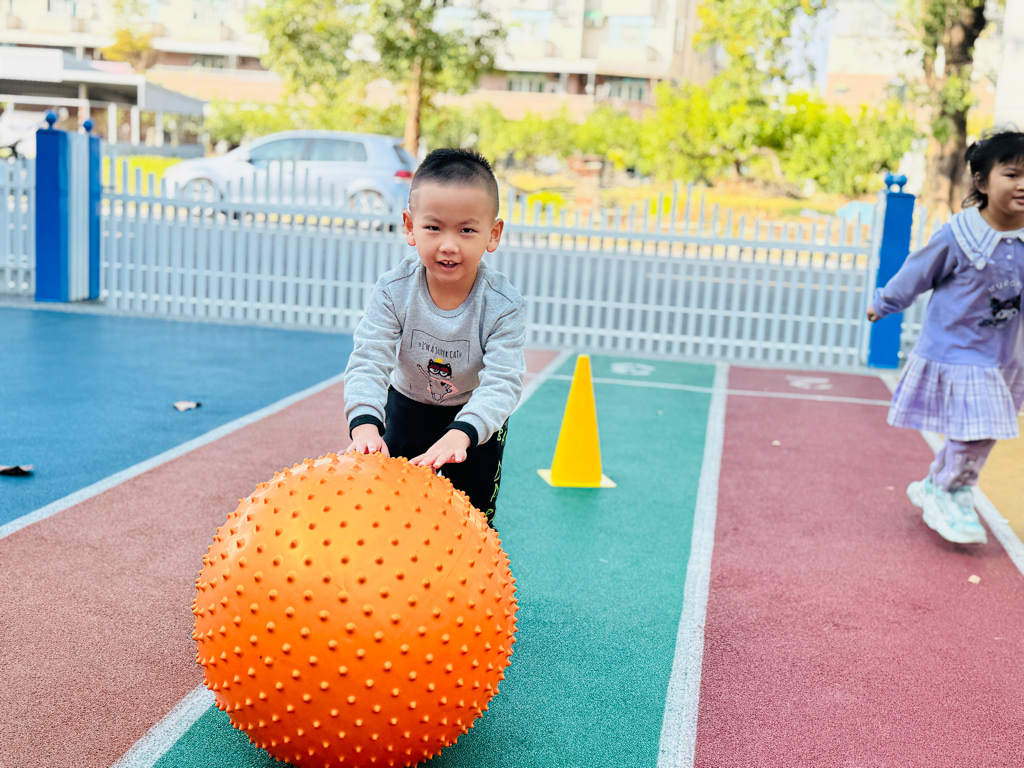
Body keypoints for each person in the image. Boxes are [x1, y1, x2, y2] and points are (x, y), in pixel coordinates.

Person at [342, 148, 526, 525]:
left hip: (474, 419)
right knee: (392, 513)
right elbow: (369, 359)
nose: (448, 244)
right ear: (410, 226)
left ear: (493, 234)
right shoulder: (393, 290)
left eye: (467, 230)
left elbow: (503, 381)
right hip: (406, 409)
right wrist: (365, 424)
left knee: (471, 520)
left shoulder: (503, 304)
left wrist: (463, 433)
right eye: (434, 227)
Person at [867, 129, 1024, 545]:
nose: (1023, 185)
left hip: (1007, 356)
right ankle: (951, 490)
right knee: (977, 428)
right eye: (1012, 175)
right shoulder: (961, 235)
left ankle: (939, 481)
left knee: (986, 432)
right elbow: (918, 271)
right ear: (982, 182)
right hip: (958, 352)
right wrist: (885, 302)